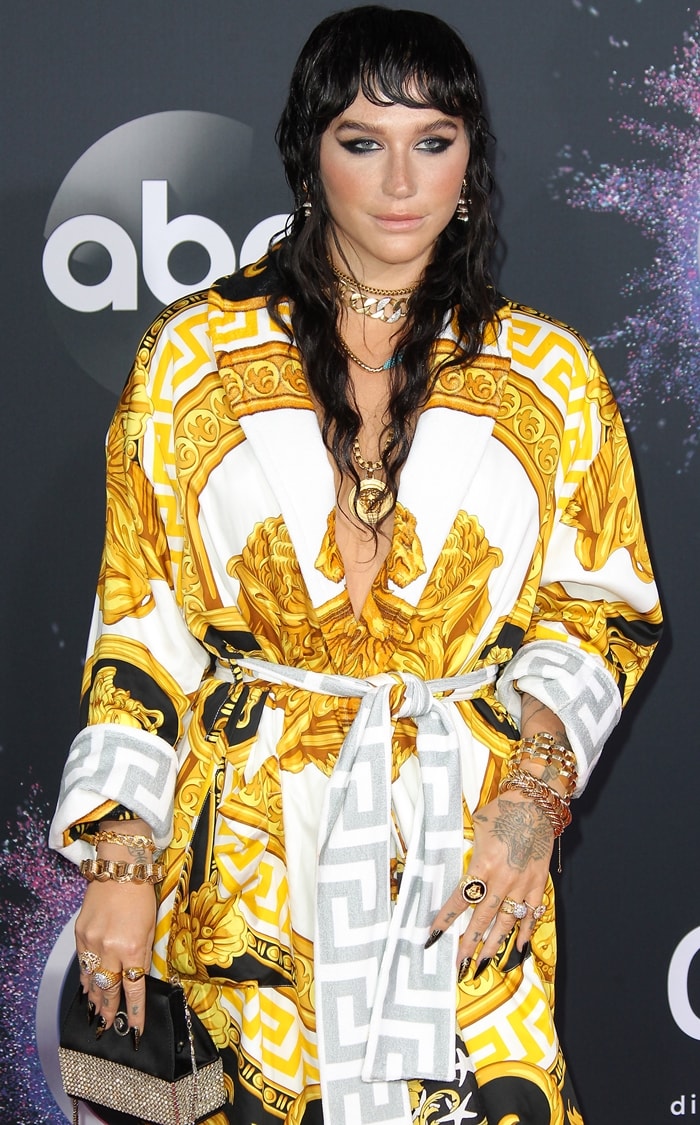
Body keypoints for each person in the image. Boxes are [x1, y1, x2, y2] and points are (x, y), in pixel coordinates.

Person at [50, 7, 662, 1124]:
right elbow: (141, 624)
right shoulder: (193, 361)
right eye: (361, 140)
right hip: (247, 865)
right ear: (307, 153)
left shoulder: (547, 374)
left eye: (432, 140)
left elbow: (599, 609)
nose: (399, 181)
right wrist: (122, 859)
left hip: (468, 861)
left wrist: (530, 801)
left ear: (471, 159)